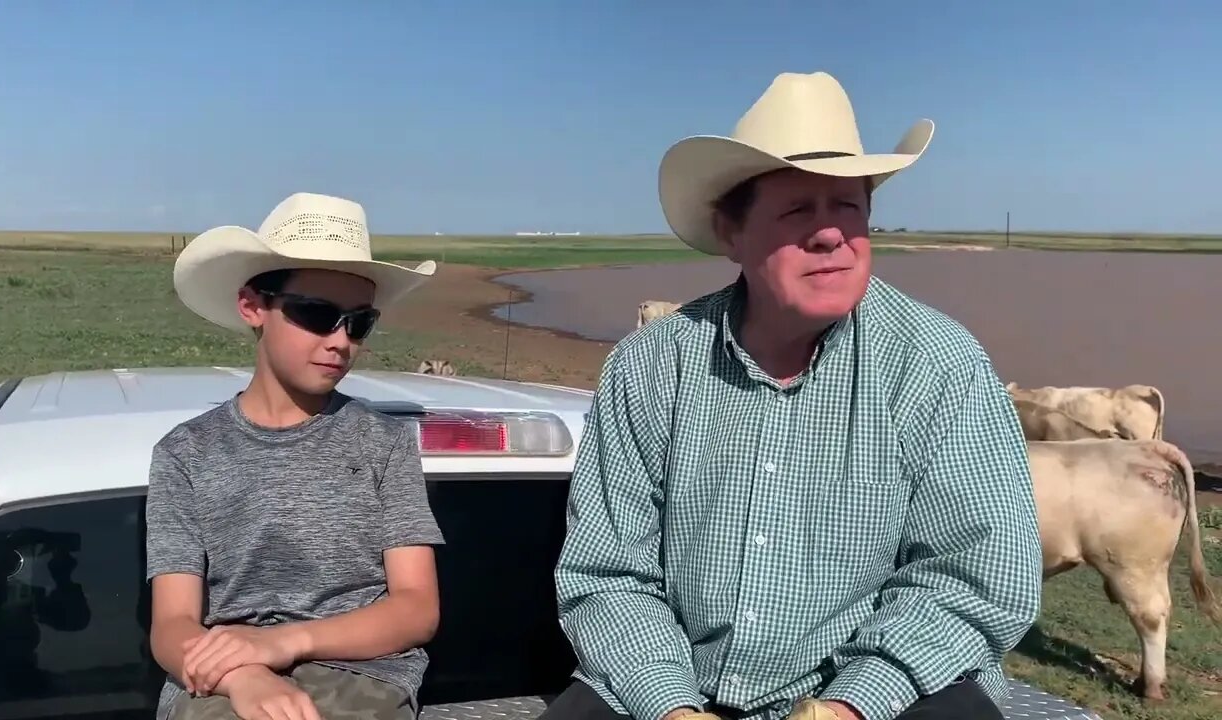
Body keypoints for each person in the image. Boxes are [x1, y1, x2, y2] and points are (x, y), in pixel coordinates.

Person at [547, 72, 1043, 720]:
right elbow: (609, 575)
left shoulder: (939, 365)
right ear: (732, 232)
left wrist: (849, 706)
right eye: (797, 211)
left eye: (848, 208)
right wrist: (669, 706)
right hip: (679, 684)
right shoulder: (648, 367)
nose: (830, 235)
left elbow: (978, 574)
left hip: (879, 694)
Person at [145, 192, 445, 720]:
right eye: (317, 314)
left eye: (359, 323)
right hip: (221, 681)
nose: (340, 341)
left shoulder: (384, 443)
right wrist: (245, 674)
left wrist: (282, 643)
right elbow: (171, 625)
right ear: (253, 306)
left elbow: (417, 607)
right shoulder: (185, 454)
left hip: (362, 677)